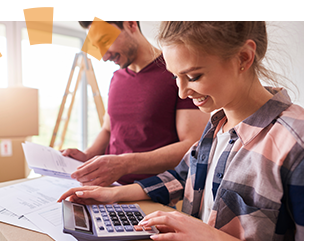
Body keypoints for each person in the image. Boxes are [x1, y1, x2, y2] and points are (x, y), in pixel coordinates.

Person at [58, 21, 304, 241]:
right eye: (175, 77)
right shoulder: (216, 124)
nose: (182, 92)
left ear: (243, 58)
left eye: (194, 76)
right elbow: (182, 177)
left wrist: (210, 237)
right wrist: (113, 194)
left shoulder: (296, 144)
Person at [62, 21, 209, 186]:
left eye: (105, 41)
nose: (104, 56)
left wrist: (124, 164)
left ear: (131, 24)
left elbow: (192, 145)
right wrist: (87, 155)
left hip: (152, 192)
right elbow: (108, 129)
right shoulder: (116, 78)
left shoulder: (176, 74)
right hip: (108, 187)